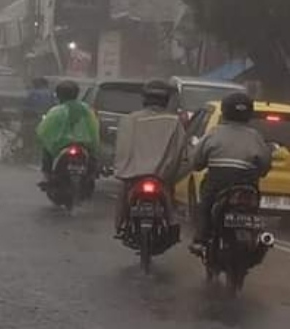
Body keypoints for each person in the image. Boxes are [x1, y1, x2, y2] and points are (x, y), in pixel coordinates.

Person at [189, 91, 273, 255]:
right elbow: (265, 164)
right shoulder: (255, 136)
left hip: (217, 183)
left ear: (225, 111)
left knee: (205, 205)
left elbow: (196, 160)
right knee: (253, 208)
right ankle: (258, 237)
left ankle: (200, 239)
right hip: (247, 185)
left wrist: (200, 164)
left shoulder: (214, 133)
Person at [112, 80, 187, 236]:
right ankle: (172, 223)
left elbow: (122, 148)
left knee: (123, 193)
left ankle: (119, 225)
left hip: (133, 173)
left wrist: (124, 167)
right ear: (166, 100)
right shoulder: (174, 122)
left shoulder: (130, 120)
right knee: (169, 194)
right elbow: (180, 151)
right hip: (162, 176)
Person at [35, 80, 100, 186]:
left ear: (59, 95)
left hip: (61, 145)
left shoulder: (56, 111)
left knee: (46, 151)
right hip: (85, 143)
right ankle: (92, 175)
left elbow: (43, 130)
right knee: (93, 158)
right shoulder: (87, 109)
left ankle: (46, 176)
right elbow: (94, 128)